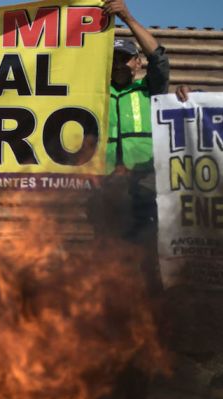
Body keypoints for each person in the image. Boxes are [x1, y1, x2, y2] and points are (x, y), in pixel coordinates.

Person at [102, 0, 169, 243]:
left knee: (147, 247)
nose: (120, 64)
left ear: (138, 63)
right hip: (105, 186)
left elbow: (160, 59)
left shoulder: (149, 90)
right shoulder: (96, 94)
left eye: (126, 58)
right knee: (107, 252)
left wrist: (127, 18)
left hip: (145, 184)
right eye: (115, 59)